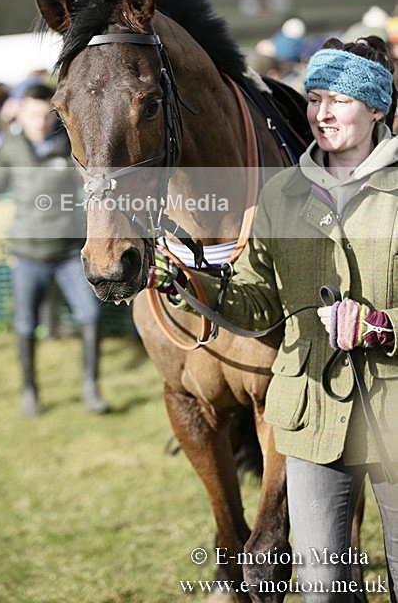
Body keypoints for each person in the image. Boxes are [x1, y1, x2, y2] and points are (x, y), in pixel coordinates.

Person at [159, 36, 398, 601]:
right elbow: (257, 303)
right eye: (314, 98)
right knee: (323, 586)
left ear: (377, 108)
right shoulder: (282, 194)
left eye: (339, 100)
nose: (321, 113)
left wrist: (383, 325)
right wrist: (192, 285)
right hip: (313, 419)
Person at [0, 83, 109, 417]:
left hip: (68, 254)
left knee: (90, 315)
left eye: (46, 115)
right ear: (21, 113)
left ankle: (91, 389)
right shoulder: (11, 146)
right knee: (25, 324)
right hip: (27, 254)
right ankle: (29, 392)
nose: (40, 122)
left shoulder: (69, 144)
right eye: (33, 115)